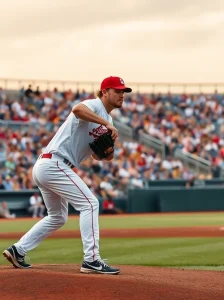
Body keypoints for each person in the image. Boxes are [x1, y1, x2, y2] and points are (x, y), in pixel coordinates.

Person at [2, 76, 132, 274]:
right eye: (117, 91)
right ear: (104, 92)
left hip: (50, 165)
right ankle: (92, 259)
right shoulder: (94, 105)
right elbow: (77, 110)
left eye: (123, 91)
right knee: (90, 203)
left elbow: (98, 155)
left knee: (57, 217)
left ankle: (18, 250)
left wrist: (108, 153)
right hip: (54, 163)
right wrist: (105, 124)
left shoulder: (108, 119)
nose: (122, 95)